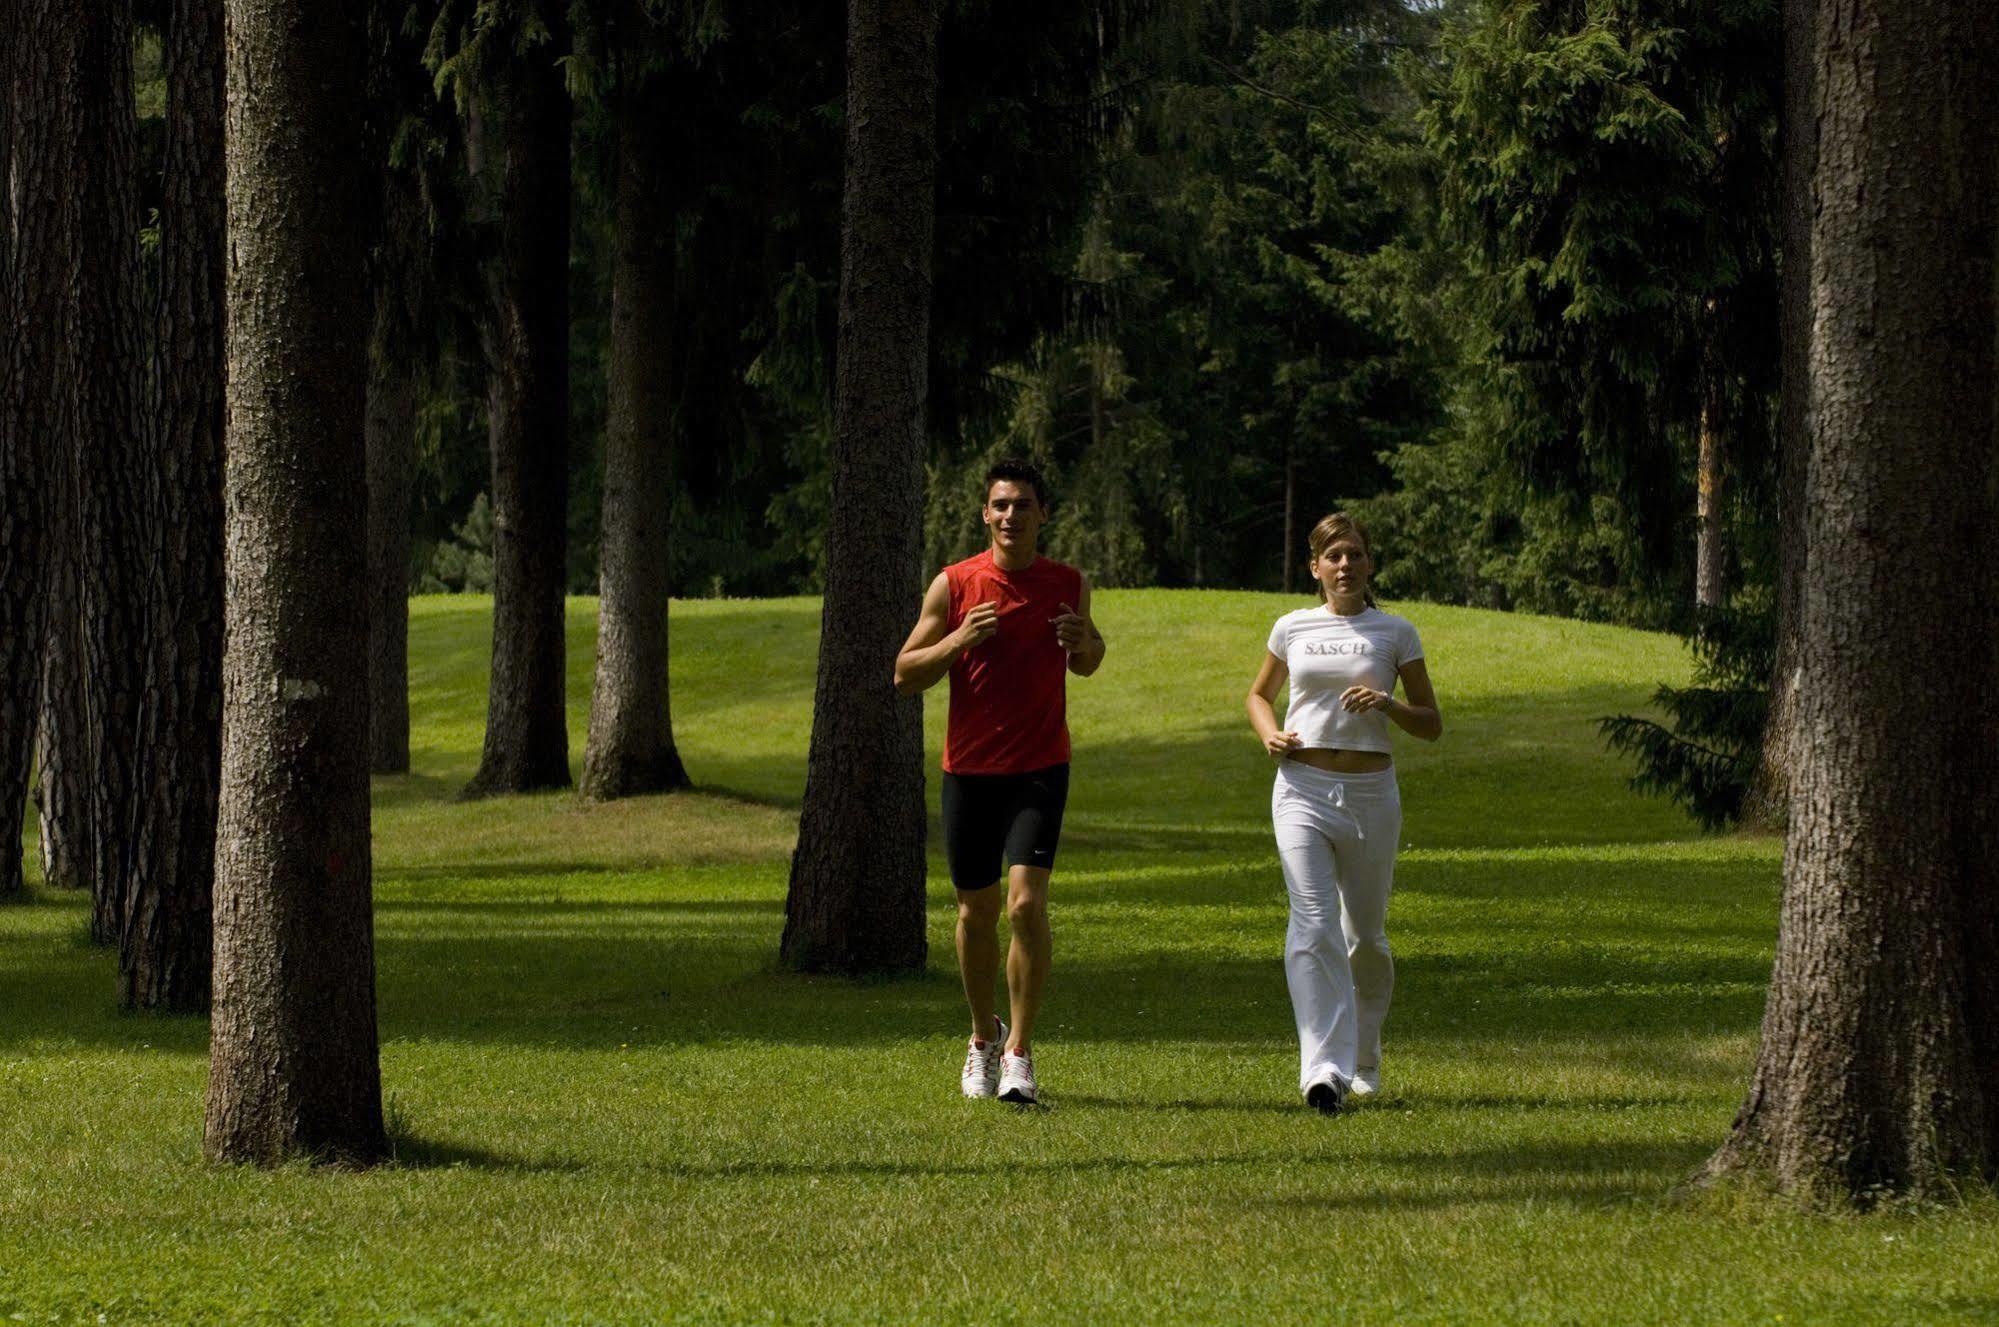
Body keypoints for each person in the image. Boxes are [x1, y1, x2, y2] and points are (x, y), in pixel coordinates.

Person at [895, 459, 1105, 1105]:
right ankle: (979, 1041)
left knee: (1023, 906)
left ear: (1043, 513)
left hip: (1040, 768)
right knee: (974, 912)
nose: (1011, 515)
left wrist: (1083, 640)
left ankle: (1018, 1049)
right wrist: (958, 638)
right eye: (1000, 505)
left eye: (1023, 504)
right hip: (969, 772)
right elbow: (905, 671)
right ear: (985, 514)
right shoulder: (954, 583)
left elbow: (1089, 661)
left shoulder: (1067, 582)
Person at [1244, 512, 1441, 1114]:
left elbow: (1431, 723)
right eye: (1333, 556)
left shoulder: (1395, 632)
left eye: (1354, 554)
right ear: (1316, 568)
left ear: (1369, 562)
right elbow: (1258, 695)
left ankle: (1364, 1056)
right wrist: (1269, 734)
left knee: (1366, 939)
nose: (1345, 565)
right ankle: (1321, 1070)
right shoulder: (1292, 627)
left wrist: (1388, 702)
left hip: (1370, 796)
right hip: (1301, 788)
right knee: (1311, 924)